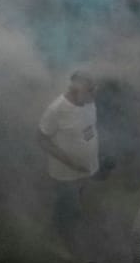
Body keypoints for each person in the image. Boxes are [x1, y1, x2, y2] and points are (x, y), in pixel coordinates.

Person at [37, 70, 100, 249]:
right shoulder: (56, 110)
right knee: (66, 205)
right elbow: (41, 139)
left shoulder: (88, 101)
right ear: (76, 91)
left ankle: (73, 219)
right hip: (67, 174)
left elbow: (88, 127)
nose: (95, 95)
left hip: (86, 169)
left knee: (76, 200)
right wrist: (71, 162)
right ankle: (62, 237)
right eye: (91, 91)